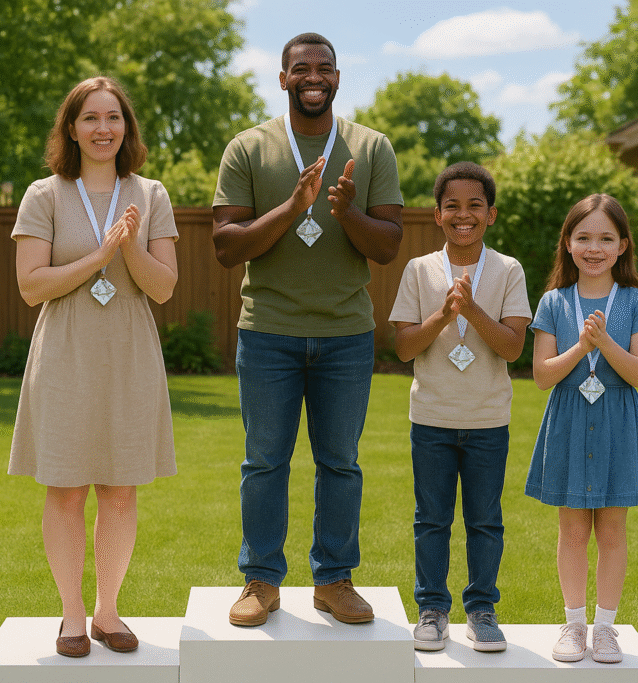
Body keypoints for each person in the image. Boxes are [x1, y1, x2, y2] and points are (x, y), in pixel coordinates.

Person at [212, 32, 403, 627]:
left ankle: (334, 580)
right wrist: (293, 208)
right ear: (283, 78)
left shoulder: (371, 148)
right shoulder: (248, 148)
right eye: (301, 68)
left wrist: (345, 213)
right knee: (265, 461)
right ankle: (262, 581)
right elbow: (224, 246)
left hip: (346, 333)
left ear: (338, 79)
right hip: (268, 331)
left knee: (340, 463)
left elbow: (390, 246)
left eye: (324, 68)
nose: (312, 77)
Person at [8, 76, 179, 658]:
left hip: (129, 350)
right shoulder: (44, 194)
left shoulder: (150, 193)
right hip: (66, 350)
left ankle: (109, 610)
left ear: (126, 127)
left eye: (114, 118)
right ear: (72, 129)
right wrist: (100, 255)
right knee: (64, 490)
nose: (103, 129)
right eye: (90, 118)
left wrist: (128, 247)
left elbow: (162, 288)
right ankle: (72, 614)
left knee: (121, 490)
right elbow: (32, 287)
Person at [388, 162, 531, 652]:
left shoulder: (508, 270)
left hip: (489, 420)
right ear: (436, 214)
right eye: (452, 206)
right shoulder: (419, 270)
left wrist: (471, 309)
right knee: (431, 518)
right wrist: (445, 312)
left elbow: (513, 347)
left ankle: (482, 610)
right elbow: (405, 347)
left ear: (491, 214)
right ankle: (431, 609)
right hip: (431, 419)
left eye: (474, 206)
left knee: (485, 520)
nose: (462, 215)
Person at [526, 194, 638, 664]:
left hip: (618, 424)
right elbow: (543, 375)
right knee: (571, 530)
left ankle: (605, 628)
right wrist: (583, 346)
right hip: (568, 421)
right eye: (583, 237)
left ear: (623, 245)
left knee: (612, 532)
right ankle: (574, 624)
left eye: (606, 238)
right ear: (567, 243)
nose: (594, 247)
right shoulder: (554, 301)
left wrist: (604, 342)